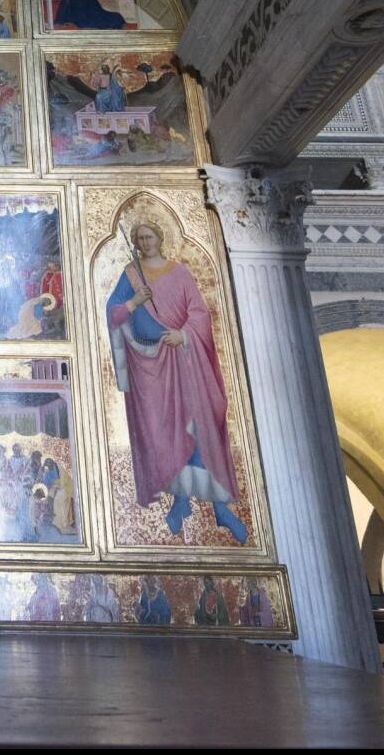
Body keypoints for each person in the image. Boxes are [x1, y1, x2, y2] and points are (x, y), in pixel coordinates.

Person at [107, 222, 249, 544]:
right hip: (149, 367)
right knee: (163, 433)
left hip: (184, 359)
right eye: (140, 239)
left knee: (196, 426)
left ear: (160, 239)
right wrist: (134, 302)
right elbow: (113, 314)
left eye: (150, 237)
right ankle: (180, 501)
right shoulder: (130, 276)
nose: (145, 242)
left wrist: (183, 335)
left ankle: (220, 508)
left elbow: (200, 313)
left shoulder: (180, 273)